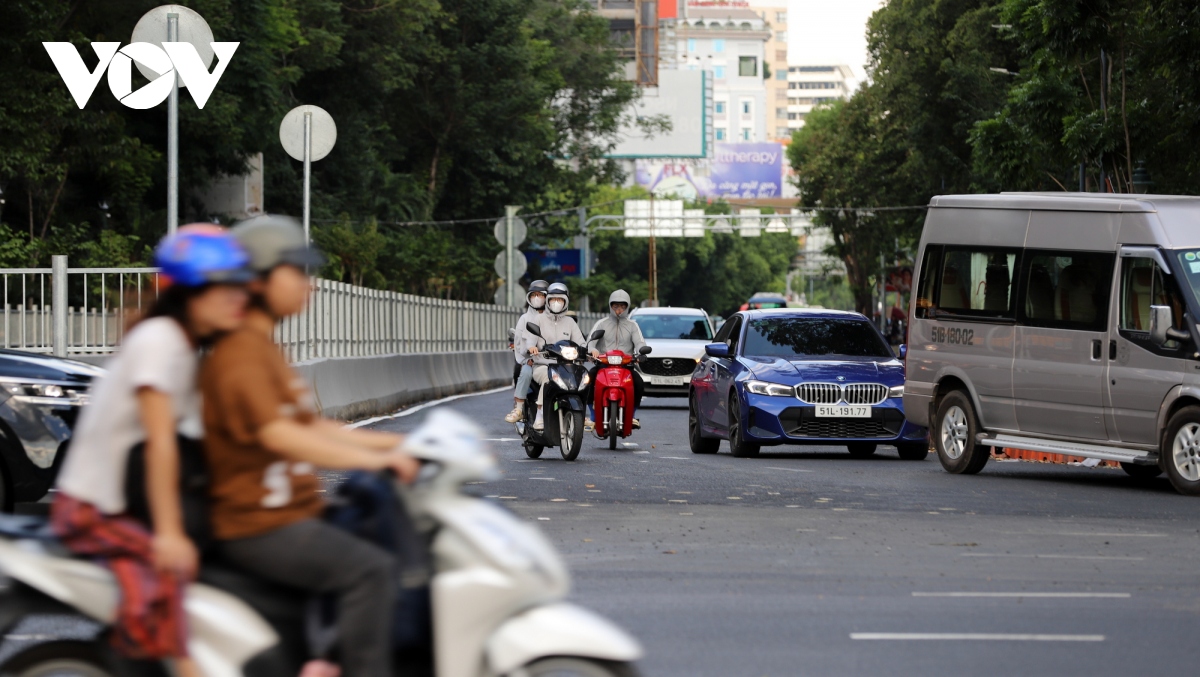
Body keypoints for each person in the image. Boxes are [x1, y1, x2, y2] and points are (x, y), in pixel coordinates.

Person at [200, 215, 420, 677]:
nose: (310, 285)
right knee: (371, 570)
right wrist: (377, 459)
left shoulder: (264, 349)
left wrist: (398, 445)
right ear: (258, 279)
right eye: (297, 271)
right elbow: (283, 436)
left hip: (290, 513)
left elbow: (312, 426)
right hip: (259, 523)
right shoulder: (240, 354)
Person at [51, 225, 253, 676]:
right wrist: (168, 534)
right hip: (93, 508)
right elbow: (160, 441)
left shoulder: (180, 345)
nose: (240, 297)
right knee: (169, 583)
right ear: (189, 294)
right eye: (226, 287)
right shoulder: (162, 342)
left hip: (121, 502)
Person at [527, 282, 585, 430]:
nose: (556, 303)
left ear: (566, 302)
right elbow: (530, 339)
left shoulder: (570, 322)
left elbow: (581, 342)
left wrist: (589, 351)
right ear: (547, 301)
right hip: (543, 365)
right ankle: (540, 415)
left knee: (584, 378)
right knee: (548, 378)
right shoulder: (539, 319)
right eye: (553, 299)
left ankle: (584, 414)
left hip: (566, 366)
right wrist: (532, 347)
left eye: (560, 300)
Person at [587, 290, 647, 429]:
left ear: (627, 307)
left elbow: (639, 342)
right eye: (615, 306)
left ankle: (631, 416)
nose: (618, 310)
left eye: (622, 306)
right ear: (610, 305)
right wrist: (593, 350)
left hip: (626, 366)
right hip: (603, 364)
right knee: (588, 379)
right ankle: (593, 415)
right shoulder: (601, 323)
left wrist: (640, 352)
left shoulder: (633, 325)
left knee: (639, 383)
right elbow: (590, 341)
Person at [505, 280, 549, 423]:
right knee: (524, 371)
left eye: (541, 295)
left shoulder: (555, 318)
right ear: (529, 297)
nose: (537, 298)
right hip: (532, 360)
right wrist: (528, 354)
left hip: (553, 361)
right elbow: (519, 344)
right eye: (534, 295)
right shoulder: (524, 319)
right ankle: (519, 408)